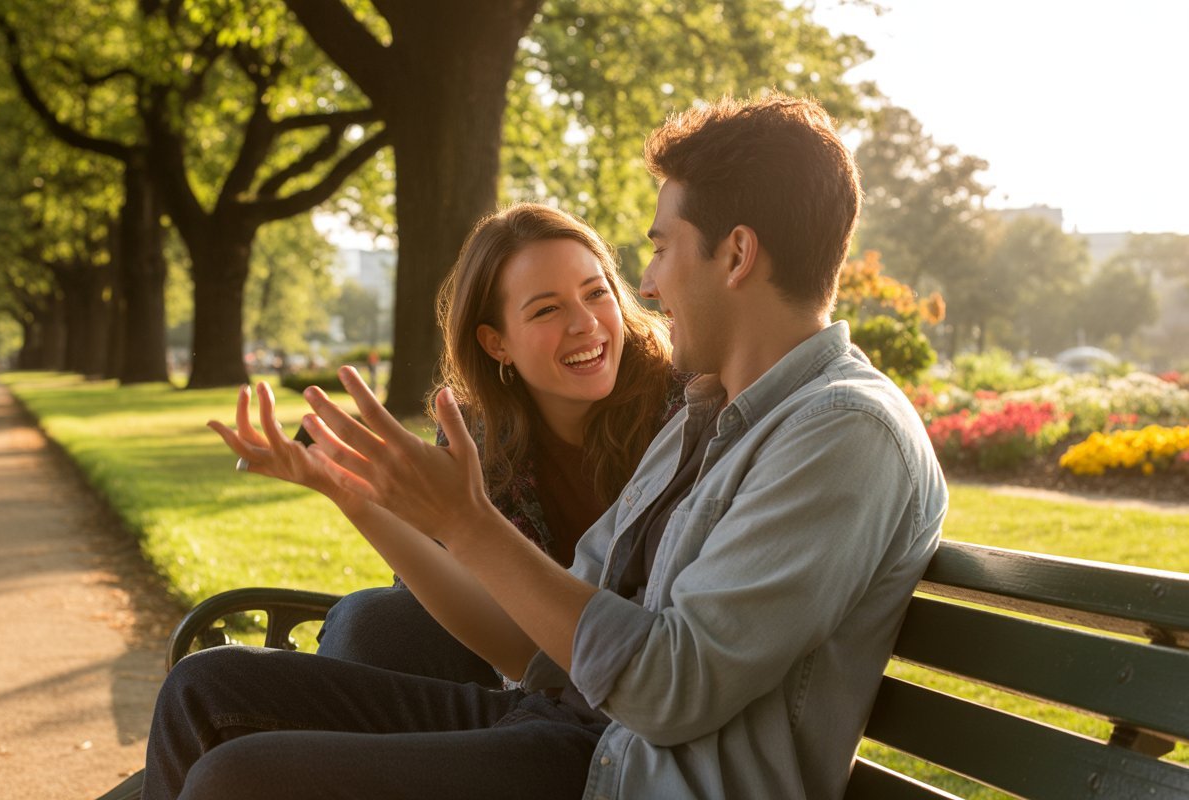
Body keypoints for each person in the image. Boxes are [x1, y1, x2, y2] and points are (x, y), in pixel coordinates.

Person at [140, 93, 947, 800]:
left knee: (239, 783)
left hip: (628, 777)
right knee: (205, 690)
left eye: (662, 248)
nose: (651, 287)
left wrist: (467, 524)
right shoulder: (707, 416)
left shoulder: (843, 431)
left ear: (736, 255)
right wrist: (374, 498)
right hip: (567, 732)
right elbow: (535, 651)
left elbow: (673, 691)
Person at [305, 203, 682, 686]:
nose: (585, 323)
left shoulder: (683, 401)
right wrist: (359, 499)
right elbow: (427, 605)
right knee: (371, 621)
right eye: (547, 309)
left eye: (596, 293)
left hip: (635, 677)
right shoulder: (474, 433)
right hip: (509, 674)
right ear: (495, 343)